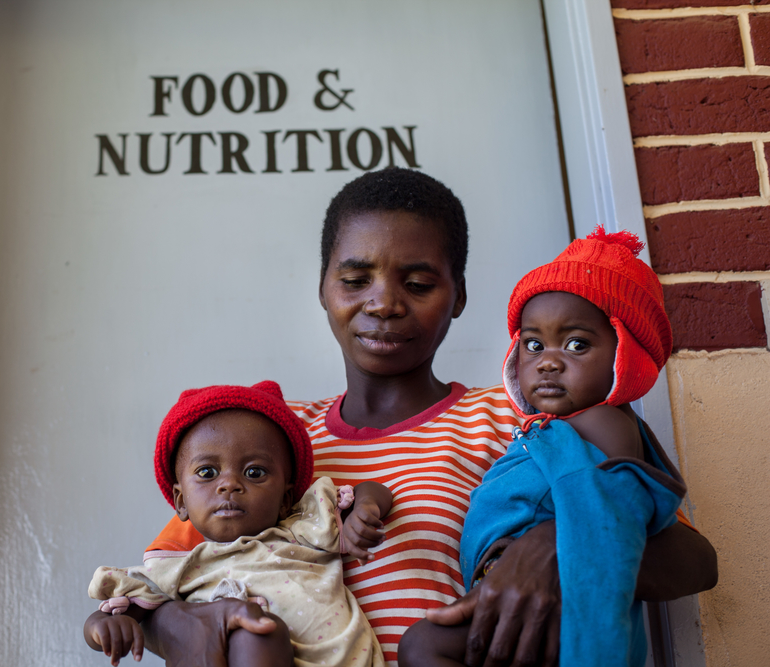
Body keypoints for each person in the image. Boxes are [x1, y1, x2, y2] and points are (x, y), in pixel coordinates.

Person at [127, 168, 718, 667]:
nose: (383, 303)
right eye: (355, 279)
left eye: (417, 282)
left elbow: (694, 560)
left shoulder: (518, 418)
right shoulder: (267, 440)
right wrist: (177, 625)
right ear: (323, 289)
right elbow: (163, 582)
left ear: (459, 295)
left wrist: (554, 546)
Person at [398, 228, 694, 667]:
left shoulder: (603, 423)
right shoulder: (546, 429)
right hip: (512, 607)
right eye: (533, 344)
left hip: (560, 612)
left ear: (625, 354)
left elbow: (606, 513)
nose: (548, 361)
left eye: (577, 344)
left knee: (424, 646)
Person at [83, 381, 392, 667]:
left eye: (254, 473)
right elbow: (110, 612)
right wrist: (104, 626)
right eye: (207, 473)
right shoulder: (179, 568)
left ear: (286, 499)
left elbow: (371, 489)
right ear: (180, 502)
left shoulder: (303, 530)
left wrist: (365, 508)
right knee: (259, 632)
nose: (229, 484)